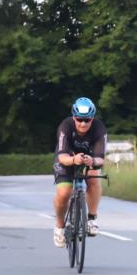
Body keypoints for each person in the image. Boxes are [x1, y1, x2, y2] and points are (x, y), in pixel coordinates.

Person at [52, 97, 107, 248]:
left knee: (94, 177)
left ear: (93, 118)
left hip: (88, 158)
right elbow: (62, 157)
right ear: (74, 117)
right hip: (67, 158)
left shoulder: (99, 128)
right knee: (64, 193)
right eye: (79, 119)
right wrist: (73, 160)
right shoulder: (66, 126)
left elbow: (101, 159)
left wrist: (93, 161)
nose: (83, 123)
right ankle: (59, 227)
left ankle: (91, 219)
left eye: (87, 120)